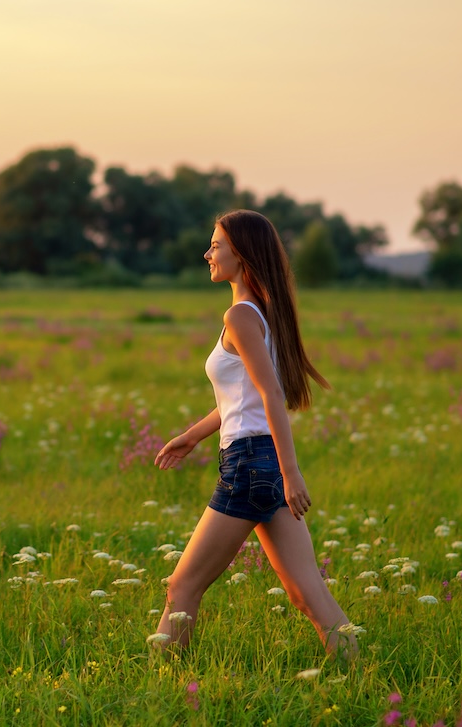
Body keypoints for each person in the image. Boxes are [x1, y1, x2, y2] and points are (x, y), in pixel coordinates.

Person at [151, 209, 356, 659]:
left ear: (241, 254)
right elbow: (241, 398)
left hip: (248, 466)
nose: (207, 254)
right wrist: (192, 435)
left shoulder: (240, 316)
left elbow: (271, 395)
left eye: (216, 246)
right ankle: (362, 674)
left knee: (182, 586)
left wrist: (291, 472)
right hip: (263, 463)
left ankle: (161, 682)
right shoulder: (263, 314)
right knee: (308, 594)